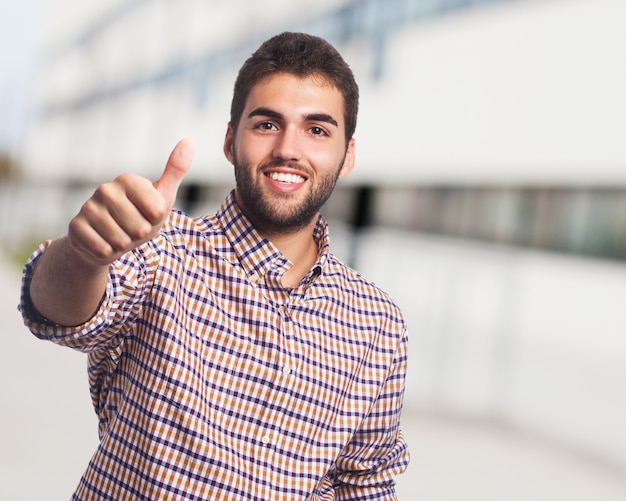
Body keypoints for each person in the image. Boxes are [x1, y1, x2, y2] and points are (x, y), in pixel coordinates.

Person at [20, 32, 409, 500]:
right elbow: (57, 314)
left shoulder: (377, 324)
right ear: (230, 141)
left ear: (347, 155)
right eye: (267, 124)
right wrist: (83, 255)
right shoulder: (161, 250)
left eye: (317, 130)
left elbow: (363, 485)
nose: (289, 148)